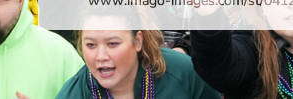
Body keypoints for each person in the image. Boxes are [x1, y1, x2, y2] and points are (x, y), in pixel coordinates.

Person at [58, 26, 220, 98]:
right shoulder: (75, 93)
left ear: (137, 41)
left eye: (113, 43)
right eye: (91, 45)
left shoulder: (182, 72)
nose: (100, 56)